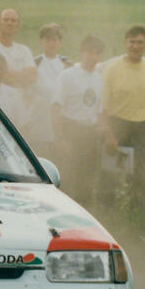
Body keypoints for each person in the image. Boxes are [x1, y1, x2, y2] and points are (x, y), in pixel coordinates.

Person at [100, 25, 145, 209]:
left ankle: (137, 213)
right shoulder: (112, 68)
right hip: (117, 124)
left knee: (139, 174)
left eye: (139, 42)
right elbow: (102, 106)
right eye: (132, 42)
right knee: (111, 172)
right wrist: (109, 134)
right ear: (125, 43)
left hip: (141, 126)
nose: (135, 46)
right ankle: (107, 212)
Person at [51, 35, 105, 204]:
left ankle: (86, 212)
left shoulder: (99, 79)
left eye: (97, 53)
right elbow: (55, 107)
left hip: (90, 133)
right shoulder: (67, 75)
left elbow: (100, 111)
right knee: (69, 176)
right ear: (82, 52)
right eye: (89, 52)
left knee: (88, 178)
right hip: (71, 130)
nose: (93, 56)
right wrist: (60, 137)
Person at [30, 23, 73, 156]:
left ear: (60, 42)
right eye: (47, 40)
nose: (51, 43)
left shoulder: (66, 64)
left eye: (54, 40)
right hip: (40, 115)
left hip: (61, 115)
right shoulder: (34, 63)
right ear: (41, 41)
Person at [0, 9, 37, 89]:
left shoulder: (25, 50)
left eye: (13, 20)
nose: (10, 23)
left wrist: (9, 74)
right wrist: (21, 75)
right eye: (6, 20)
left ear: (18, 26)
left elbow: (32, 77)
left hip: (19, 99)